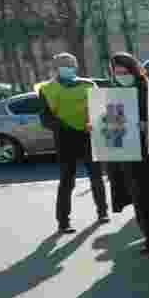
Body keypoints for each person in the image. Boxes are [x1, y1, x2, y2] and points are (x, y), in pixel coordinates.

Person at [104, 52, 149, 254]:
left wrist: (148, 124)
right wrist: (97, 126)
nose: (121, 75)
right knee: (138, 199)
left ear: (134, 70)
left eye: (125, 71)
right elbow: (108, 121)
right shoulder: (112, 92)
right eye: (117, 72)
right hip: (127, 155)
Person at [37, 52, 109, 233]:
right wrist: (64, 127)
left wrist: (94, 122)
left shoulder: (89, 85)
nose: (67, 67)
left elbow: (102, 110)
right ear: (55, 68)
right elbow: (45, 118)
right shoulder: (46, 89)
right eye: (62, 64)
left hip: (89, 136)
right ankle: (63, 221)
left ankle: (103, 212)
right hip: (64, 139)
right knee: (66, 181)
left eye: (70, 64)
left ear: (76, 66)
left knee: (96, 177)